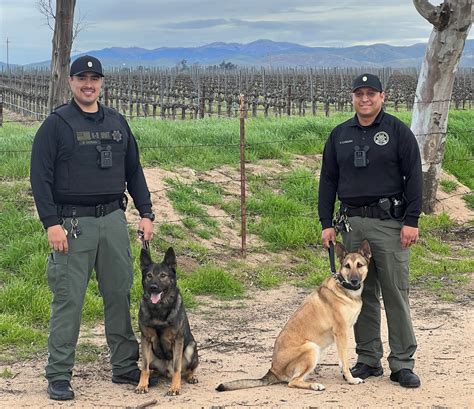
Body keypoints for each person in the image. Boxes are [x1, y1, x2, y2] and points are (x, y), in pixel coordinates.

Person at [30, 55, 157, 401]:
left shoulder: (117, 122)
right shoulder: (56, 124)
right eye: (81, 78)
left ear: (102, 83)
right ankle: (58, 374)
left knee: (119, 293)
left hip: (113, 220)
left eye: (94, 78)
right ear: (71, 82)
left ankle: (124, 364)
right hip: (72, 225)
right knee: (69, 300)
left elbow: (134, 171)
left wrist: (146, 213)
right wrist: (50, 224)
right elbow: (39, 178)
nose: (88, 84)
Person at [318, 73, 422, 388]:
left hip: (390, 225)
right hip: (351, 224)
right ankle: (367, 359)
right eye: (359, 93)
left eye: (371, 94)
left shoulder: (398, 132)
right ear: (352, 97)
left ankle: (402, 363)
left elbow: (414, 176)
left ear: (382, 96)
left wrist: (412, 220)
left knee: (395, 294)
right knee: (359, 295)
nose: (365, 99)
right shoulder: (340, 135)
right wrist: (326, 223)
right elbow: (328, 181)